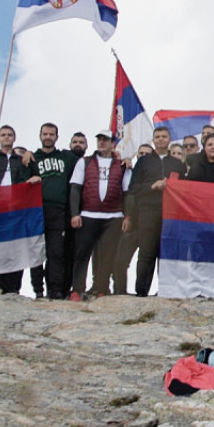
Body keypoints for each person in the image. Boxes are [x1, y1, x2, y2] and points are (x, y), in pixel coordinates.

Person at [118, 126, 186, 297]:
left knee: (166, 254)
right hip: (148, 212)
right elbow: (133, 188)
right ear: (153, 140)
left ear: (169, 139)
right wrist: (152, 186)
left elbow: (185, 190)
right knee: (146, 252)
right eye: (157, 136)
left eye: (164, 136)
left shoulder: (177, 164)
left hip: (171, 215)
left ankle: (165, 291)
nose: (161, 139)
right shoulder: (144, 162)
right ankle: (141, 292)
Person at [69, 130, 132, 300]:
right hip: (88, 214)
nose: (102, 142)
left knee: (107, 255)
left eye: (106, 140)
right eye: (99, 139)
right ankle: (77, 290)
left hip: (113, 216)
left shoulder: (122, 165)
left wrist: (127, 217)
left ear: (113, 144)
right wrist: (75, 213)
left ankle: (102, 289)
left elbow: (127, 193)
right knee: (82, 254)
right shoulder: (85, 162)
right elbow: (75, 188)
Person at [0, 125, 40, 295]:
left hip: (16, 211)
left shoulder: (22, 159)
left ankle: (11, 289)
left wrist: (34, 177)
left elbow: (36, 175)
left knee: (15, 249)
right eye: (3, 135)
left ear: (14, 138)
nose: (6, 137)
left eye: (9, 135)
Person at [31, 123, 81, 300]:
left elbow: (86, 161)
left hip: (59, 210)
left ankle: (55, 289)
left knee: (56, 252)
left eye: (51, 134)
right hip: (37, 210)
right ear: (40, 136)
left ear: (57, 137)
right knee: (36, 252)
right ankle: (38, 290)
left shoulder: (66, 157)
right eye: (45, 134)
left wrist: (117, 155)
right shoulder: (32, 158)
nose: (48, 137)